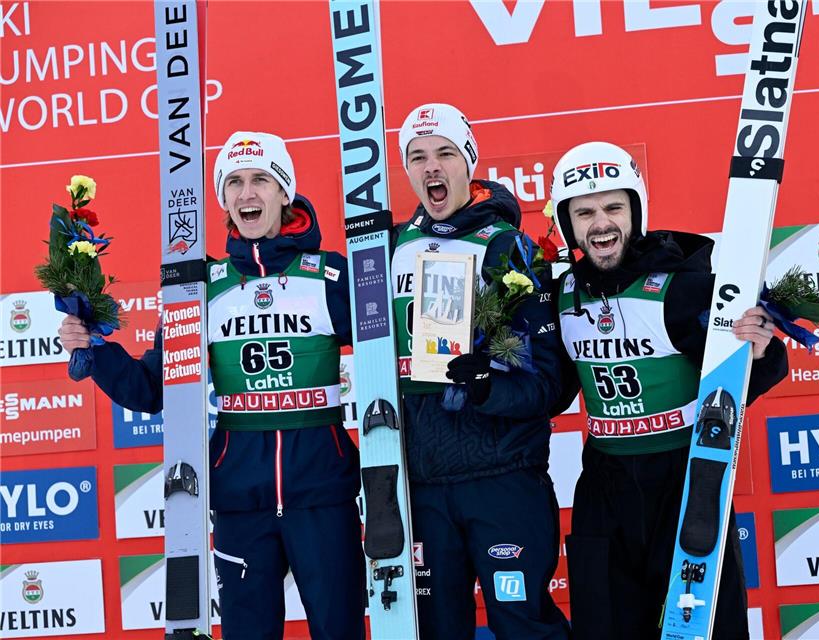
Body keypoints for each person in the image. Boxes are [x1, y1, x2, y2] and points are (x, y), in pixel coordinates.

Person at [58, 131, 364, 640]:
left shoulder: (331, 275)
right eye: (235, 183)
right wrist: (96, 350)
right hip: (240, 501)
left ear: (284, 191)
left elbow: (389, 358)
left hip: (322, 497)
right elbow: (152, 389)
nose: (248, 193)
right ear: (223, 199)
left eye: (261, 180)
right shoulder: (200, 287)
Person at [548, 141, 789, 639]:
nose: (601, 222)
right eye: (585, 211)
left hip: (683, 479)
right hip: (604, 485)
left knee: (705, 626)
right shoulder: (560, 296)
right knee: (604, 626)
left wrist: (760, 349)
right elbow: (549, 390)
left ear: (635, 212)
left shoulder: (681, 286)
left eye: (614, 206)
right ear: (567, 222)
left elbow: (744, 371)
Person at [391, 103, 571, 640]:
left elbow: (552, 384)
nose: (431, 168)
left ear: (468, 162)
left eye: (445, 153)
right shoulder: (387, 248)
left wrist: (489, 386)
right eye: (417, 157)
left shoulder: (507, 248)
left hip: (502, 479)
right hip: (421, 488)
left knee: (523, 626)